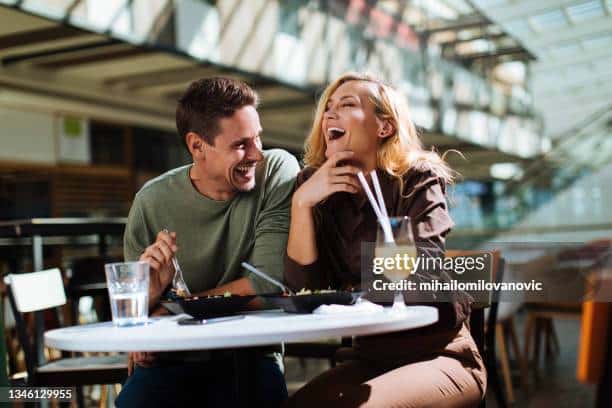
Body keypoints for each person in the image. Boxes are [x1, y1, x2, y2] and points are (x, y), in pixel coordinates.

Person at [284, 72, 486, 407]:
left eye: (347, 104)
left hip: (440, 355)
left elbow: (420, 277)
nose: (329, 115)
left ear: (384, 127)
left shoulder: (418, 179)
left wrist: (349, 288)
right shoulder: (316, 190)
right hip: (370, 360)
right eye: (328, 107)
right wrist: (302, 204)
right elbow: (306, 291)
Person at [116, 77, 299, 407]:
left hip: (249, 352)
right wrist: (151, 296)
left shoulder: (276, 171)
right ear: (197, 146)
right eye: (241, 145)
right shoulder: (150, 202)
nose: (257, 154)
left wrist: (175, 308)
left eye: (258, 138)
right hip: (173, 356)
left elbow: (267, 285)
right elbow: (136, 312)